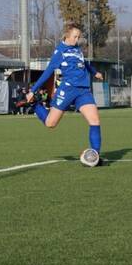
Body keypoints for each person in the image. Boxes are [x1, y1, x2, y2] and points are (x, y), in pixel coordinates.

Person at [26, 22, 105, 165]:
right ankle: (34, 104)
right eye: (75, 37)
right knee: (51, 124)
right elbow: (48, 72)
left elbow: (84, 64)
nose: (77, 40)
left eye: (79, 37)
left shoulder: (77, 49)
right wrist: (33, 90)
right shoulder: (59, 52)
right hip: (67, 90)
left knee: (95, 121)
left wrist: (95, 72)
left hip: (83, 91)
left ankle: (95, 156)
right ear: (67, 36)